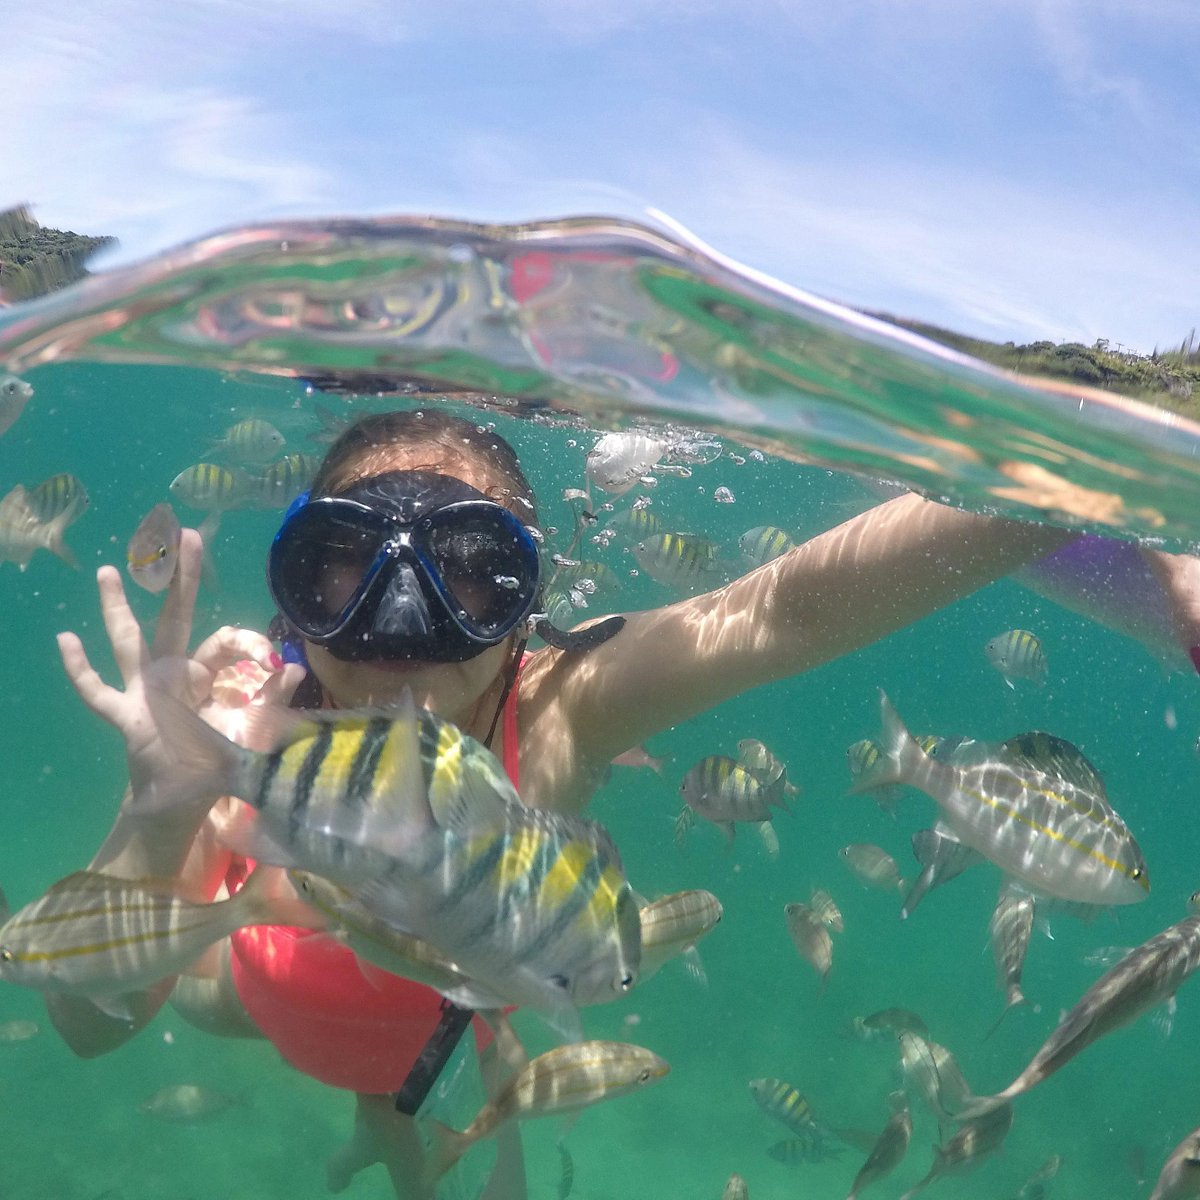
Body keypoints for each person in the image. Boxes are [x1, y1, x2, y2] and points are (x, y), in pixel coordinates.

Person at [45, 406, 1200, 1197]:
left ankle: (392, 1124)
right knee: (382, 1051)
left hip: (463, 998)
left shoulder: (558, 712)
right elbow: (95, 1032)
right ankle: (388, 1119)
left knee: (443, 1041)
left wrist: (1098, 472)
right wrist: (157, 804)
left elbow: (774, 613)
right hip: (251, 994)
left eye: (469, 574)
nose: (404, 632)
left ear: (527, 603)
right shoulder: (244, 735)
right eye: (346, 571)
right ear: (297, 598)